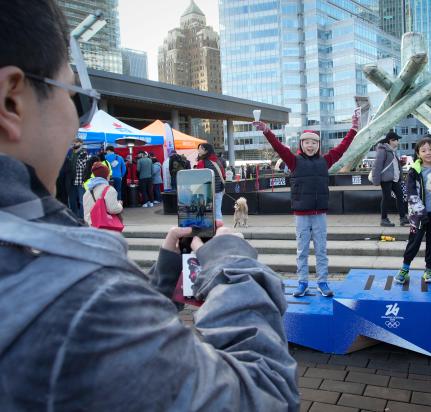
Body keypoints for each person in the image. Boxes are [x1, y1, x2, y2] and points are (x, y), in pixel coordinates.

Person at [0, 1, 298, 409]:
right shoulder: (79, 298)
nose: (78, 124)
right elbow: (264, 395)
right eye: (76, 98)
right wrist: (234, 266)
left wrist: (159, 282)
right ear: (11, 102)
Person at [253, 108, 360, 298]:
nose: (310, 146)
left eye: (314, 143)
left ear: (318, 145)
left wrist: (353, 129)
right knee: (302, 250)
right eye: (307, 142)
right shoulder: (293, 161)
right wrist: (267, 131)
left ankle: (322, 282)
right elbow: (279, 147)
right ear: (301, 144)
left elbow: (343, 148)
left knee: (321, 250)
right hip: (301, 214)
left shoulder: (326, 160)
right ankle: (302, 282)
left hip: (319, 214)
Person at [395, 137, 431, 284]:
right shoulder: (414, 170)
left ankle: (429, 270)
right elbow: (410, 193)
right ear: (418, 153)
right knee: (414, 243)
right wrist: (420, 212)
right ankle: (405, 269)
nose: (428, 152)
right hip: (418, 216)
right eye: (423, 150)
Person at [371, 131, 409, 227]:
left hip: (394, 179)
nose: (398, 142)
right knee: (386, 198)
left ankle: (403, 218)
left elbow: (391, 165)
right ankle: (384, 219)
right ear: (391, 140)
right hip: (386, 179)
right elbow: (377, 165)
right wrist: (376, 180)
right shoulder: (382, 150)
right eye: (396, 140)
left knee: (400, 197)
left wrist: (401, 163)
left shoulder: (391, 150)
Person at [195, 143, 225, 221]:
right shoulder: (218, 161)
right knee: (218, 212)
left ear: (206, 150)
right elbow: (223, 175)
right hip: (219, 190)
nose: (198, 150)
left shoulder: (202, 162)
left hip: (207, 192)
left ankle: (208, 230)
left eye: (200, 148)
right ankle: (219, 229)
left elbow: (199, 178)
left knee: (206, 212)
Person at [66, 137, 88, 217]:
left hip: (80, 180)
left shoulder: (83, 152)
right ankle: (74, 216)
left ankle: (82, 217)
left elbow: (82, 166)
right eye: (73, 142)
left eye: (76, 142)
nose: (74, 144)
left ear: (80, 143)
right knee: (71, 200)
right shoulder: (71, 153)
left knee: (82, 200)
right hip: (71, 180)